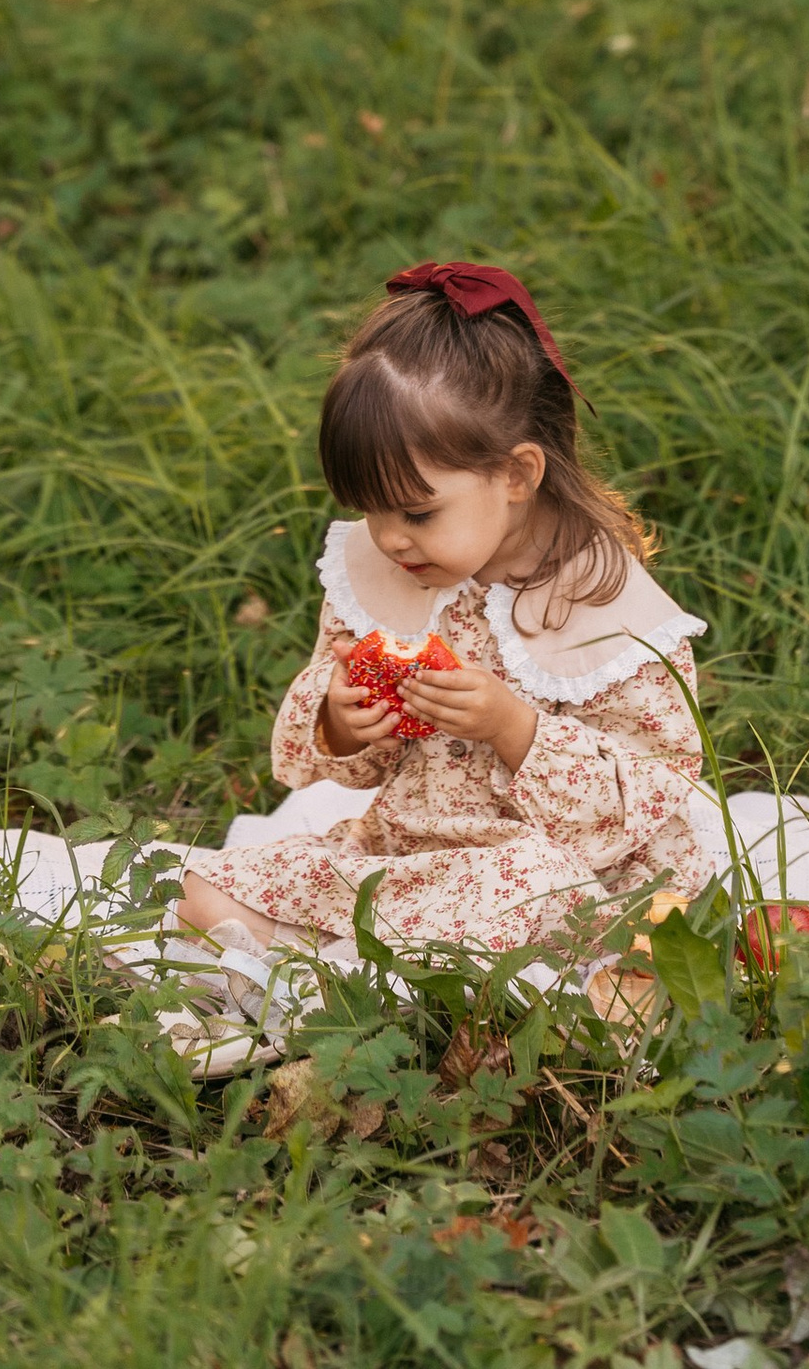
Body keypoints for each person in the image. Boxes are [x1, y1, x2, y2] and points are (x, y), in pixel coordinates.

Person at [168, 262, 708, 1000]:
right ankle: (386, 973)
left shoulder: (602, 602)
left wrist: (514, 726)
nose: (391, 540)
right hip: (414, 851)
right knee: (204, 890)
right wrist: (341, 719)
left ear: (517, 476)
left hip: (558, 867)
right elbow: (349, 762)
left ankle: (355, 974)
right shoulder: (390, 572)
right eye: (371, 509)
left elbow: (652, 785)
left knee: (542, 895)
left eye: (417, 513)